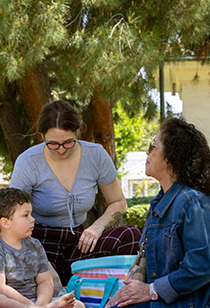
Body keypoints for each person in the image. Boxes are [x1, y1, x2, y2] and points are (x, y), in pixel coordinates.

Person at [94, 117, 210, 308]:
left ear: (172, 159)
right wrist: (122, 295)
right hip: (175, 297)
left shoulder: (194, 201)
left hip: (198, 304)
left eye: (152, 146)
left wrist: (148, 291)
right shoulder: (161, 201)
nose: (147, 152)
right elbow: (144, 261)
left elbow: (200, 269)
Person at [10, 100, 141, 284]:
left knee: (130, 236)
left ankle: (108, 294)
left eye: (68, 143)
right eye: (53, 144)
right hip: (38, 242)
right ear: (43, 137)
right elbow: (12, 217)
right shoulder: (28, 161)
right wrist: (40, 260)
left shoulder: (96, 155)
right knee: (42, 282)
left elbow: (118, 202)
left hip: (81, 242)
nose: (61, 150)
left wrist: (97, 227)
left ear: (77, 133)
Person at [0, 188, 86, 308]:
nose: (32, 219)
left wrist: (41, 304)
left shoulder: (34, 245)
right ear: (5, 222)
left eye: (31, 214)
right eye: (26, 215)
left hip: (35, 301)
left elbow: (45, 281)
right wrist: (32, 307)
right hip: (10, 305)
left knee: (79, 307)